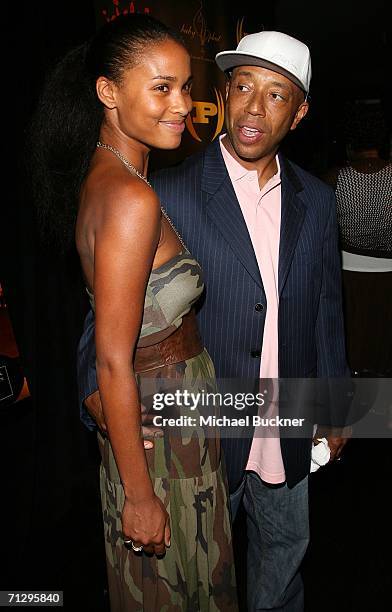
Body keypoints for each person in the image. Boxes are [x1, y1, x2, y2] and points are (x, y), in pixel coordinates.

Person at [79, 30, 350, 611]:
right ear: (224, 94)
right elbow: (105, 312)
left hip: (291, 418)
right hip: (201, 433)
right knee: (204, 583)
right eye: (243, 86)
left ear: (298, 113)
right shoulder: (166, 190)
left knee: (283, 571)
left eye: (277, 95)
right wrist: (90, 389)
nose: (255, 107)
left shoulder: (319, 202)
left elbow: (328, 308)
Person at [29, 13, 237, 612]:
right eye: (163, 87)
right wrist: (140, 497)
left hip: (169, 409)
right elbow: (114, 360)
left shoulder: (113, 177)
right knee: (177, 587)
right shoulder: (129, 197)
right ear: (108, 93)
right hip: (159, 428)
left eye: (185, 87)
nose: (184, 105)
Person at [323, 102, 392, 377]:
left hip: (347, 278)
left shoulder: (335, 179)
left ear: (350, 141)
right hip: (388, 279)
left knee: (354, 347)